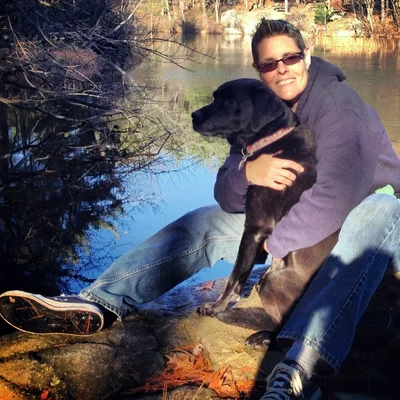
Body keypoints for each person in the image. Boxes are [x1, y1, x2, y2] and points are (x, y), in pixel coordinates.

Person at [1, 18, 400, 400]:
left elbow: (336, 196)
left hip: (376, 231)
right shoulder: (255, 110)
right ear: (259, 71)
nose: (282, 70)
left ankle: (300, 369)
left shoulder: (338, 106)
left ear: (306, 56)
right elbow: (227, 197)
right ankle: (99, 301)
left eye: (290, 58)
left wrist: (276, 246)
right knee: (206, 223)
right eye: (269, 64)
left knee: (377, 210)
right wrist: (249, 172)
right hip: (305, 231)